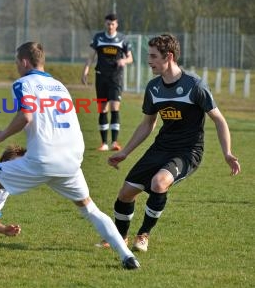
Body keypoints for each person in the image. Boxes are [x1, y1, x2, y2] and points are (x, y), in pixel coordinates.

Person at [0, 42, 140, 269]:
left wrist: (2, 135)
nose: (17, 67)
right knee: (90, 209)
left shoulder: (23, 83)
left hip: (43, 159)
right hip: (72, 160)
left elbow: (26, 116)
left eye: (17, 63)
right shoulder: (59, 86)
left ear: (25, 62)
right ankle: (127, 256)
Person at [103, 34, 240, 252]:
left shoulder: (194, 86)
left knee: (159, 183)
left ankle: (143, 235)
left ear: (169, 56)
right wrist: (125, 152)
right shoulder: (153, 88)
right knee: (125, 194)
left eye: (153, 56)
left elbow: (219, 120)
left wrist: (227, 153)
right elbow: (148, 124)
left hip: (188, 151)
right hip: (161, 148)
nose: (149, 61)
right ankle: (120, 238)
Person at [82, 13, 133, 151]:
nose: (110, 26)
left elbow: (130, 58)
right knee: (102, 108)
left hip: (116, 78)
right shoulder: (98, 38)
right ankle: (104, 143)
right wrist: (86, 70)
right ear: (105, 24)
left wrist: (124, 60)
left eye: (113, 24)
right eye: (108, 24)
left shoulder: (122, 39)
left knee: (114, 107)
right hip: (101, 77)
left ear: (116, 24)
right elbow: (91, 56)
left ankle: (114, 142)